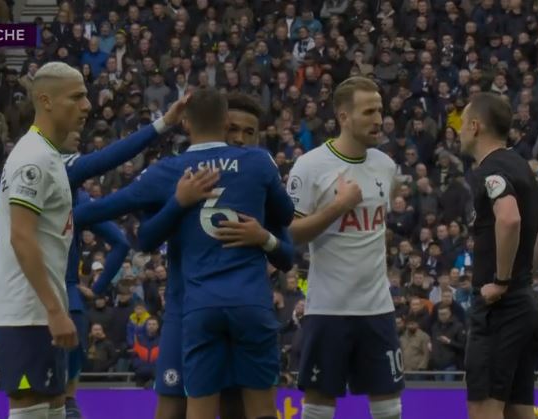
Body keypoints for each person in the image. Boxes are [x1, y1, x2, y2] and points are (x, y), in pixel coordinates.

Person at [73, 92, 294, 419]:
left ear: (187, 123)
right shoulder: (257, 166)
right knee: (176, 407)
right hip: (200, 303)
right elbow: (146, 239)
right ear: (224, 124)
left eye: (250, 133)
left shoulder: (173, 171)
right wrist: (178, 203)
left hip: (203, 304)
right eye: (234, 129)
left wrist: (265, 239)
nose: (240, 138)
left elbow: (287, 251)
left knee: (230, 408)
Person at [0, 98, 187, 419]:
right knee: (60, 402)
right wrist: (94, 289)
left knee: (35, 402)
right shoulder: (65, 182)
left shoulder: (11, 189)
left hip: (14, 306)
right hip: (61, 302)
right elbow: (117, 230)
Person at [286, 76, 404, 419]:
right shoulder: (310, 166)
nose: (378, 119)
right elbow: (289, 234)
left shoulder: (385, 165)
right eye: (368, 112)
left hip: (377, 307)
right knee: (319, 406)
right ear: (343, 117)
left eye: (379, 110)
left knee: (389, 407)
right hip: (328, 308)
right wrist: (338, 207)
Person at [0, 61, 90, 419]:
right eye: (76, 97)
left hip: (38, 310)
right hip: (27, 312)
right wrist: (55, 310)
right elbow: (21, 236)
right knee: (32, 406)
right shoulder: (32, 157)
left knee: (55, 404)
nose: (87, 106)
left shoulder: (49, 155)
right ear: (46, 101)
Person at [459, 92, 538, 419]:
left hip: (499, 311)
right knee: (517, 412)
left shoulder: (490, 170)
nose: (459, 131)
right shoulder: (522, 167)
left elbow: (509, 218)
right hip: (524, 305)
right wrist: (523, 272)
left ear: (476, 126)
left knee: (484, 411)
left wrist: (502, 280)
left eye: (463, 123)